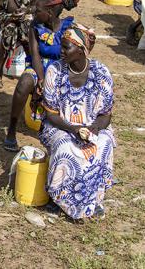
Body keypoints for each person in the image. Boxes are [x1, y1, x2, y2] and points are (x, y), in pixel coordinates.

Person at [40, 24, 115, 221]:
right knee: (65, 147)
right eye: (61, 46)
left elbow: (106, 114)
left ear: (81, 50)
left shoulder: (101, 72)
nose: (61, 51)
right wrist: (73, 129)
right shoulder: (54, 71)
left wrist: (94, 129)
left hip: (92, 125)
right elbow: (51, 114)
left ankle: (93, 199)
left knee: (103, 144)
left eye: (66, 47)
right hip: (60, 125)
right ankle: (57, 198)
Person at [3, 0, 79, 151]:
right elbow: (35, 54)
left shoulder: (68, 27)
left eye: (38, 10)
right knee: (23, 84)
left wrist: (53, 80)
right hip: (39, 67)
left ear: (50, 12)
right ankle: (11, 131)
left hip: (61, 69)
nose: (34, 13)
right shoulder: (35, 27)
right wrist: (43, 80)